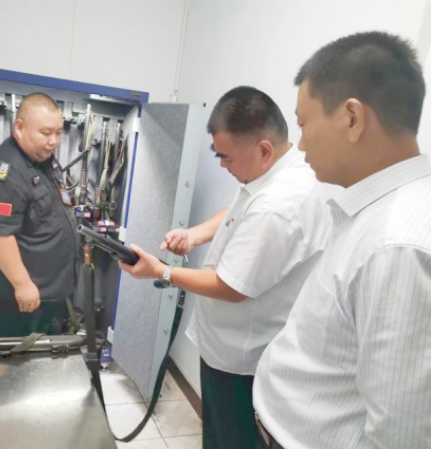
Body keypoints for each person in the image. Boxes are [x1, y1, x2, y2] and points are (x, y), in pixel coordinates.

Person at [119, 86, 332, 449]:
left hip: (241, 360)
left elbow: (229, 287)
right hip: (227, 347)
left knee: (230, 440)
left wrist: (162, 272)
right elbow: (234, 211)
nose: (221, 165)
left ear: (263, 149)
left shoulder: (279, 206)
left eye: (226, 157)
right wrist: (194, 235)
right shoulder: (276, 170)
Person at [253, 31, 431, 449]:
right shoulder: (377, 213)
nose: (300, 144)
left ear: (352, 118)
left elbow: (400, 436)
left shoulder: (396, 244)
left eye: (303, 124)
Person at [0, 93, 79, 337]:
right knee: (14, 358)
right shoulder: (5, 174)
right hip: (18, 302)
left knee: (40, 358)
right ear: (19, 128)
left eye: (58, 133)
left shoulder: (42, 161)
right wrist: (22, 284)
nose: (54, 141)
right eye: (46, 133)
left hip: (45, 296)